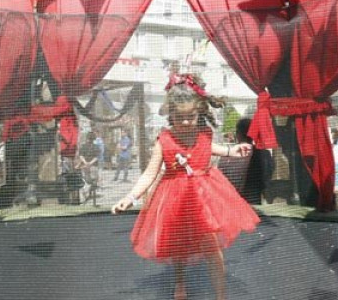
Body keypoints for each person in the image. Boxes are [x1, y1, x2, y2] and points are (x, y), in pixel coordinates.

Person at [111, 73, 259, 300]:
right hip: (175, 199)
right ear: (170, 115)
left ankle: (221, 296)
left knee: (212, 247)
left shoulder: (204, 135)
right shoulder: (165, 140)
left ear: (199, 112)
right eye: (180, 117)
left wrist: (231, 150)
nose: (186, 122)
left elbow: (210, 147)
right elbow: (150, 173)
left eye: (191, 116)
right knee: (178, 244)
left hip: (204, 197)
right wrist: (130, 197)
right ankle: (180, 281)